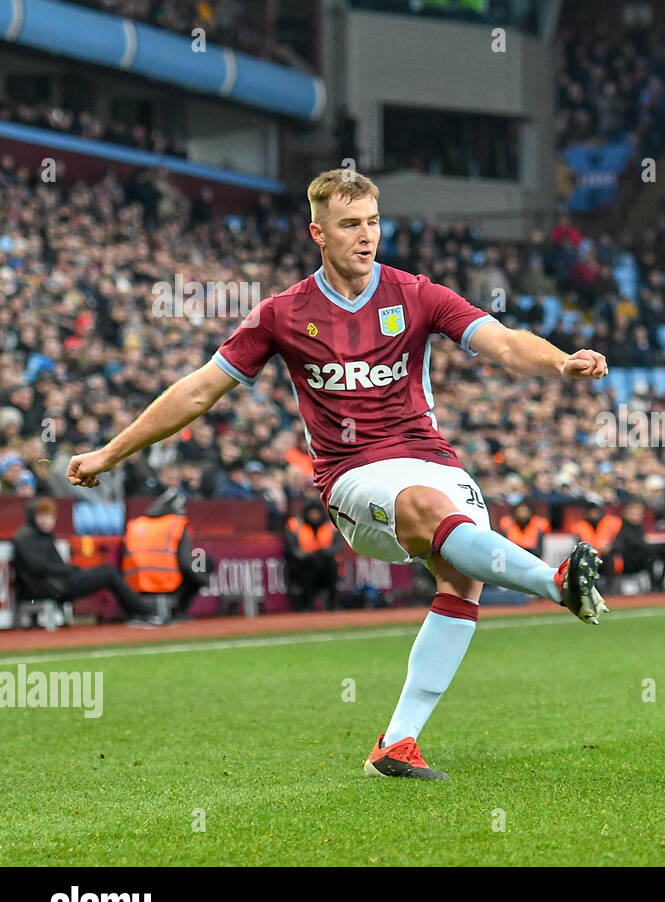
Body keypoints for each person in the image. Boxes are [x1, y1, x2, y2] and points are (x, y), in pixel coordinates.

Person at [66, 168, 610, 781]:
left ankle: (397, 744)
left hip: (431, 457)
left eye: (373, 222)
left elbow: (506, 344)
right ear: (317, 232)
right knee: (428, 511)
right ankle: (553, 581)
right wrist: (110, 453)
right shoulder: (282, 314)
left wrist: (562, 361)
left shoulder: (418, 294)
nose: (366, 235)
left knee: (460, 580)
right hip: (354, 474)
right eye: (350, 224)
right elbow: (198, 392)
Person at [12, 498, 164, 626]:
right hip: (51, 587)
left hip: (57, 582)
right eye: (43, 516)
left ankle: (138, 612)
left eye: (51, 517)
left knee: (108, 570)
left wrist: (69, 570)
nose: (47, 521)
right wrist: (70, 570)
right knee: (109, 573)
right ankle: (142, 613)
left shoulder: (41, 535)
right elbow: (37, 567)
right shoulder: (26, 537)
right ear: (33, 516)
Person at [122, 488, 209, 620]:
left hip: (133, 586)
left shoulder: (136, 524)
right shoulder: (176, 524)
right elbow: (186, 564)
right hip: (166, 583)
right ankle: (179, 612)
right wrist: (204, 581)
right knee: (205, 564)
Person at [284, 500, 340, 611]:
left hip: (326, 563)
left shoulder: (331, 525)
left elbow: (337, 547)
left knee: (332, 566)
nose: (314, 516)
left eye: (316, 512)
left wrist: (323, 553)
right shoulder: (295, 525)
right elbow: (292, 548)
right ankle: (307, 605)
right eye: (311, 513)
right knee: (305, 569)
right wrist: (307, 556)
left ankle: (333, 605)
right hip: (305, 564)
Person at [606, 500, 665, 591]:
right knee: (650, 551)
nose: (638, 516)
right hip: (627, 561)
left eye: (640, 513)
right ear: (626, 513)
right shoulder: (621, 525)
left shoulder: (638, 526)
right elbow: (631, 544)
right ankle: (654, 584)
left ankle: (660, 583)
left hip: (642, 557)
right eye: (634, 513)